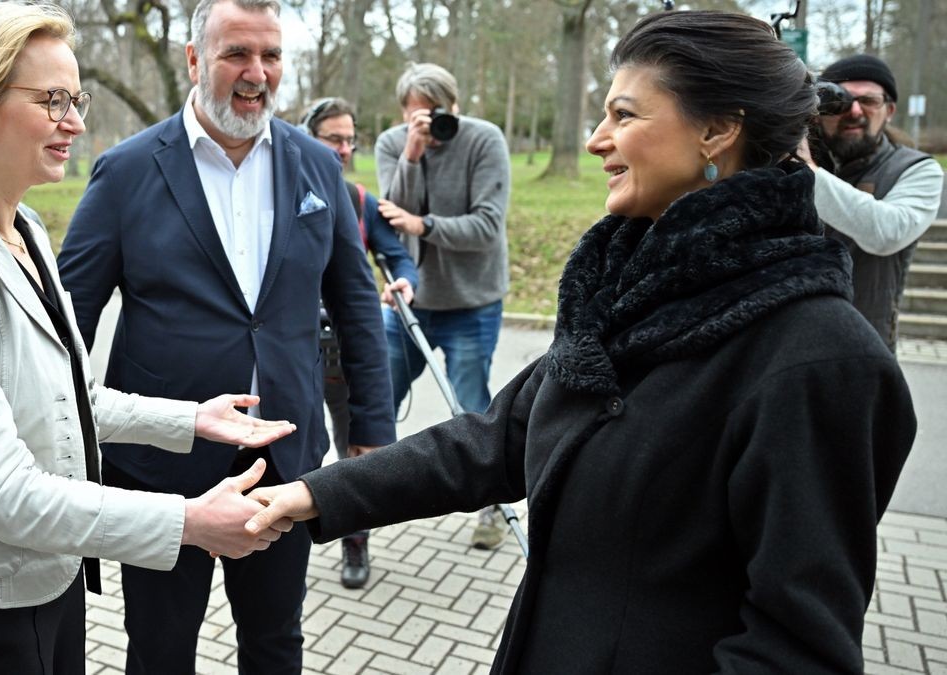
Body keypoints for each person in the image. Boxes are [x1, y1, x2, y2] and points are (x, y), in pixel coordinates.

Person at [245, 10, 917, 673]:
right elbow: (496, 436)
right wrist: (313, 494)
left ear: (717, 130)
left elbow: (796, 649)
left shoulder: (820, 361)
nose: (597, 140)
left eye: (624, 115)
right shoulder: (626, 292)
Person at [0, 4, 296, 673]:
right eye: (52, 99)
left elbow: (71, 398)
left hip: (45, 580)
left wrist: (193, 420)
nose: (77, 122)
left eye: (76, 98)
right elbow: (1, 492)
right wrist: (187, 521)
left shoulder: (23, 226)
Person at [55, 0, 395, 671]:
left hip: (286, 458)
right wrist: (56, 435)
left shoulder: (316, 165)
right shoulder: (127, 171)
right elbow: (66, 321)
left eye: (271, 55)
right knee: (159, 649)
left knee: (274, 643)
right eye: (237, 53)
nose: (257, 72)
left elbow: (356, 302)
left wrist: (373, 429)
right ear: (193, 59)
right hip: (161, 469)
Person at [374, 62, 512, 550]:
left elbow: (487, 227)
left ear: (454, 106)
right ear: (403, 114)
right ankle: (361, 501)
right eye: (416, 117)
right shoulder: (394, 143)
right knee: (376, 394)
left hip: (473, 301)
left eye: (436, 114)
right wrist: (411, 156)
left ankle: (492, 508)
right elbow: (386, 221)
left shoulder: (484, 139)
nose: (428, 126)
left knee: (470, 408)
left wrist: (423, 225)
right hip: (411, 301)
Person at [300, 96, 417, 588]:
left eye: (351, 139)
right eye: (335, 138)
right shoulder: (281, 190)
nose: (345, 148)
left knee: (357, 452)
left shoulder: (360, 199)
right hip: (296, 356)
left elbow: (397, 256)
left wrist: (405, 281)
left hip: (348, 355)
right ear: (309, 138)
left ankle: (355, 543)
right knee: (301, 452)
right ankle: (285, 547)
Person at [796, 54, 944, 351]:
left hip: (863, 350)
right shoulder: (789, 158)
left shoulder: (917, 170)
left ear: (889, 110)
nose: (853, 110)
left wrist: (805, 170)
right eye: (839, 100)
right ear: (817, 110)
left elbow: (886, 232)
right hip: (784, 344)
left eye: (868, 101)